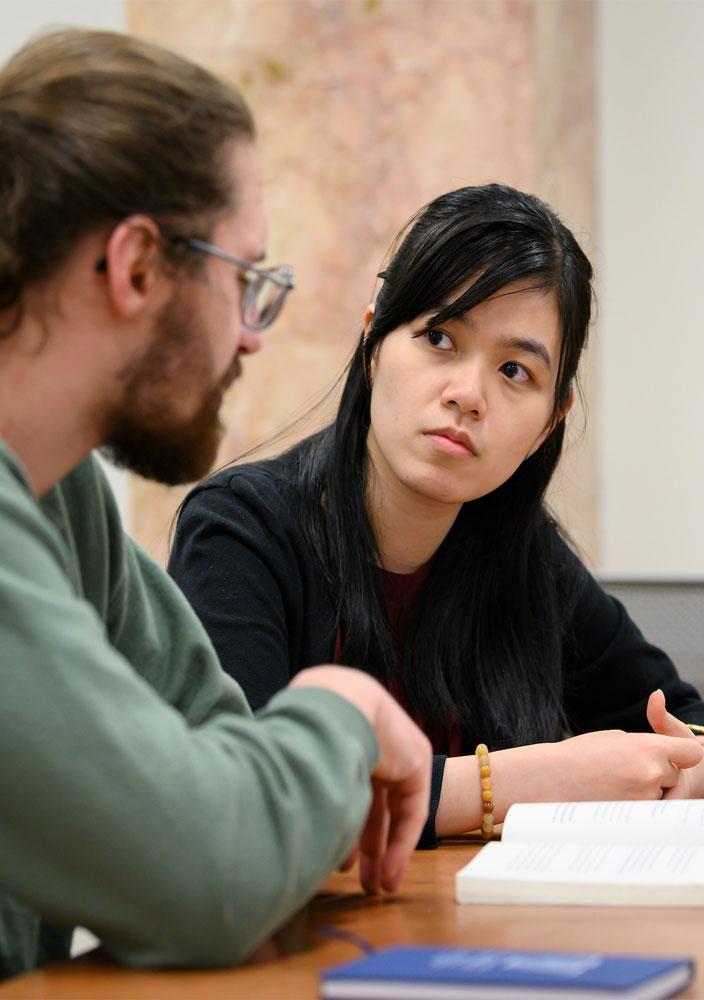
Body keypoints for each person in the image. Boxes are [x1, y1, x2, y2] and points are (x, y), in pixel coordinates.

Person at [0, 28, 432, 982]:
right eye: (246, 280)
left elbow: (224, 765)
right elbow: (213, 871)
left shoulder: (56, 487)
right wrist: (346, 707)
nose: (252, 337)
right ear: (138, 267)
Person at [169, 182, 704, 847]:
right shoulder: (242, 531)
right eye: (439, 337)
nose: (468, 395)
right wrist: (525, 782)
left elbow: (688, 717)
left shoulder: (521, 556)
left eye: (515, 371)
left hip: (476, 930)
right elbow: (248, 800)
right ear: (374, 340)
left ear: (550, 422)